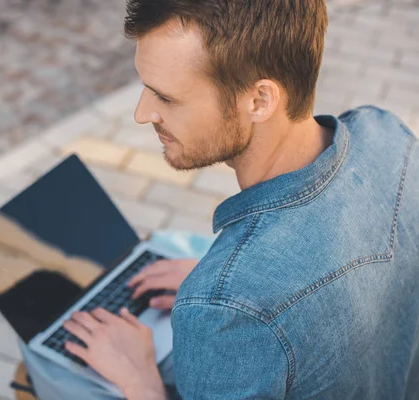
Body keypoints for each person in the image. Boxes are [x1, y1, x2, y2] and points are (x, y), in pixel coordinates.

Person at [60, 0, 419, 399]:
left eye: (167, 97)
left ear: (260, 101)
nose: (142, 114)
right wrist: (235, 293)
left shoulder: (226, 309)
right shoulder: (388, 135)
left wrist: (140, 379)